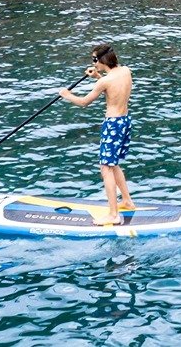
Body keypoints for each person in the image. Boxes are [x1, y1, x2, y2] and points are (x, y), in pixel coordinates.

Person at [58, 43, 135, 226]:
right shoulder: (125, 71)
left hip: (112, 125)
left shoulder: (104, 82)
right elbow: (113, 89)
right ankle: (127, 201)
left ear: (101, 60)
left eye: (94, 60)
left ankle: (113, 215)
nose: (93, 63)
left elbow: (84, 102)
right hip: (125, 121)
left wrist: (66, 95)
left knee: (106, 168)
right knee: (113, 164)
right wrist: (98, 76)